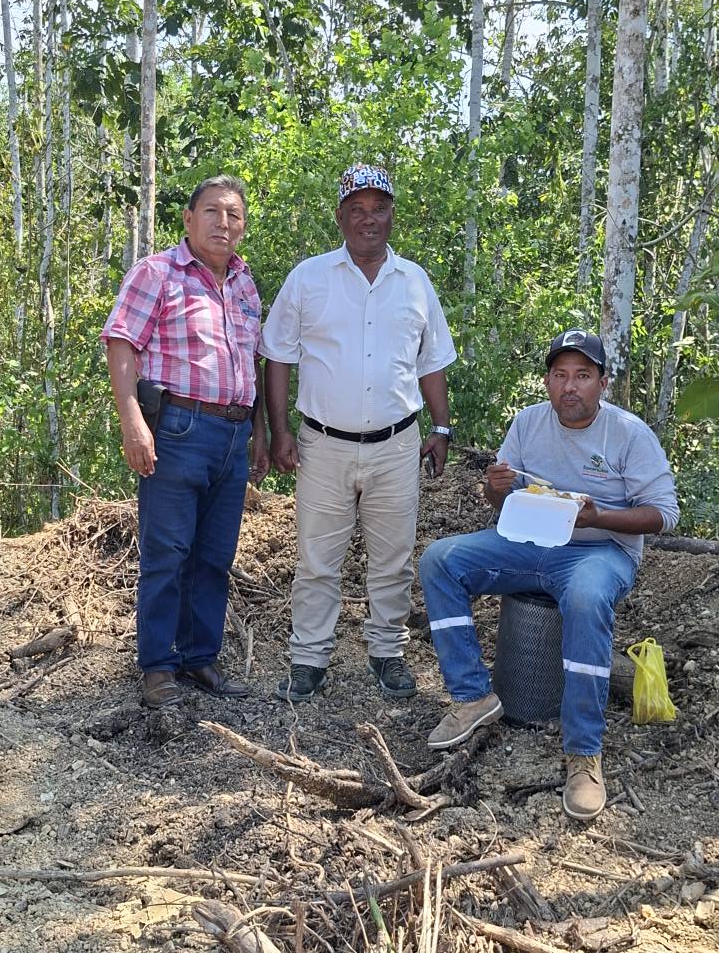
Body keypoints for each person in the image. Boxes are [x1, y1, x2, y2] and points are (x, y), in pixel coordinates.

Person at [419, 329, 679, 821]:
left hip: (599, 551)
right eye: (560, 375)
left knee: (585, 597)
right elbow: (503, 500)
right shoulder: (529, 423)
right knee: (440, 560)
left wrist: (600, 516)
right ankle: (473, 696)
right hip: (530, 542)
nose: (570, 386)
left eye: (583, 375)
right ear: (547, 382)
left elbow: (664, 514)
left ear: (603, 382)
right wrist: (495, 488)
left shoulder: (628, 433)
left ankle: (583, 753)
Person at [261, 163, 456, 703]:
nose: (369, 219)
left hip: (397, 445)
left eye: (379, 209)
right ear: (341, 217)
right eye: (357, 210)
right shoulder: (309, 278)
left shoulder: (414, 282)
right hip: (323, 445)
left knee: (393, 558)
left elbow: (432, 361)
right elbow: (277, 356)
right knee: (316, 560)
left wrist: (441, 426)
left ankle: (387, 652)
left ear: (392, 216)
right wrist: (280, 431)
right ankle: (308, 658)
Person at [101, 174, 269, 709]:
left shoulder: (244, 284)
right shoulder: (158, 273)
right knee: (168, 552)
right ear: (189, 219)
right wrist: (132, 420)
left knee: (215, 554)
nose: (224, 223)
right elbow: (121, 343)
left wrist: (260, 432)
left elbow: (252, 363)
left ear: (243, 226)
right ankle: (157, 666)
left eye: (234, 214)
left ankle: (199, 657)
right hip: (179, 428)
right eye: (213, 211)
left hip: (233, 432)